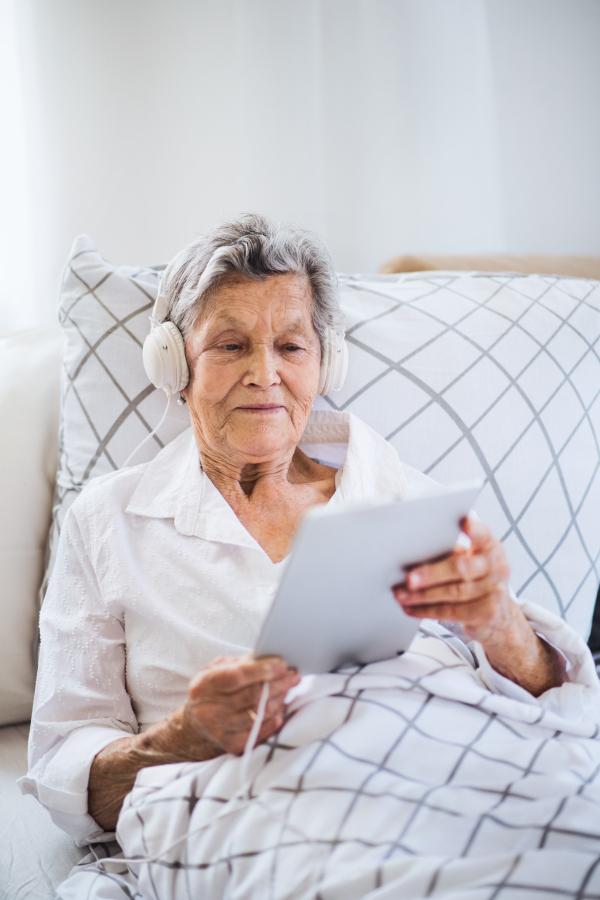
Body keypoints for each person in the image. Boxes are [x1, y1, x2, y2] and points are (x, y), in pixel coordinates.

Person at [20, 214, 569, 849]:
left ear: (326, 362)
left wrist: (501, 624)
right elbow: (67, 774)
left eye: (291, 346)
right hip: (261, 830)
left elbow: (551, 705)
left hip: (460, 792)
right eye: (230, 345)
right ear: (174, 364)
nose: (264, 373)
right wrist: (181, 740)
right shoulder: (106, 523)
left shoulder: (411, 499)